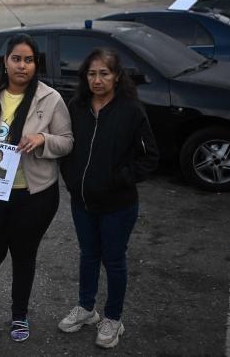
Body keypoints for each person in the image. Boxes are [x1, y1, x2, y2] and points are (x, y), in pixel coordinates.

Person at [0, 33, 73, 342]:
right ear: (5, 62)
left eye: (29, 60)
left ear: (36, 65)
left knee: (24, 255)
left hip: (34, 195)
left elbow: (67, 141)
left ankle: (19, 316)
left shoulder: (50, 99)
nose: (22, 65)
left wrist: (43, 140)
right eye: (16, 59)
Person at [58, 48, 158, 349]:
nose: (97, 80)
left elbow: (150, 157)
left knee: (114, 261)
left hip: (118, 204)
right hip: (83, 201)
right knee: (88, 255)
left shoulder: (131, 110)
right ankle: (87, 309)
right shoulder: (77, 107)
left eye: (104, 73)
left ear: (116, 76)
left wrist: (119, 179)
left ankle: (113, 318)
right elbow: (66, 145)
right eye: (92, 74)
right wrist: (73, 177)